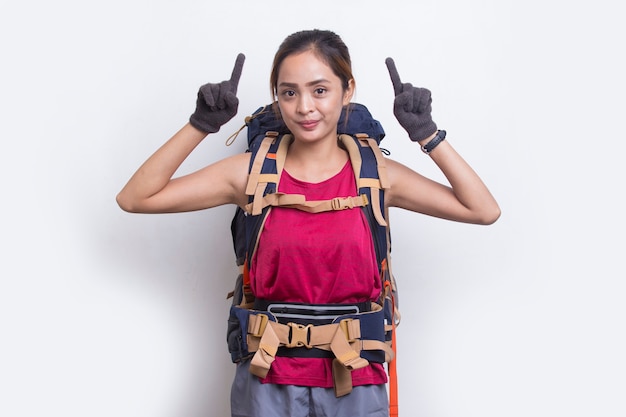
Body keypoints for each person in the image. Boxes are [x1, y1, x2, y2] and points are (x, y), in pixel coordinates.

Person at [117, 29, 500, 417]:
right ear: (277, 96)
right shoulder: (250, 174)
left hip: (357, 378)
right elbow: (135, 198)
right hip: (267, 377)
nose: (304, 107)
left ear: (347, 90)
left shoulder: (377, 175)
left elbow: (483, 210)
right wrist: (200, 124)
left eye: (320, 90)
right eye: (289, 92)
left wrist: (427, 135)